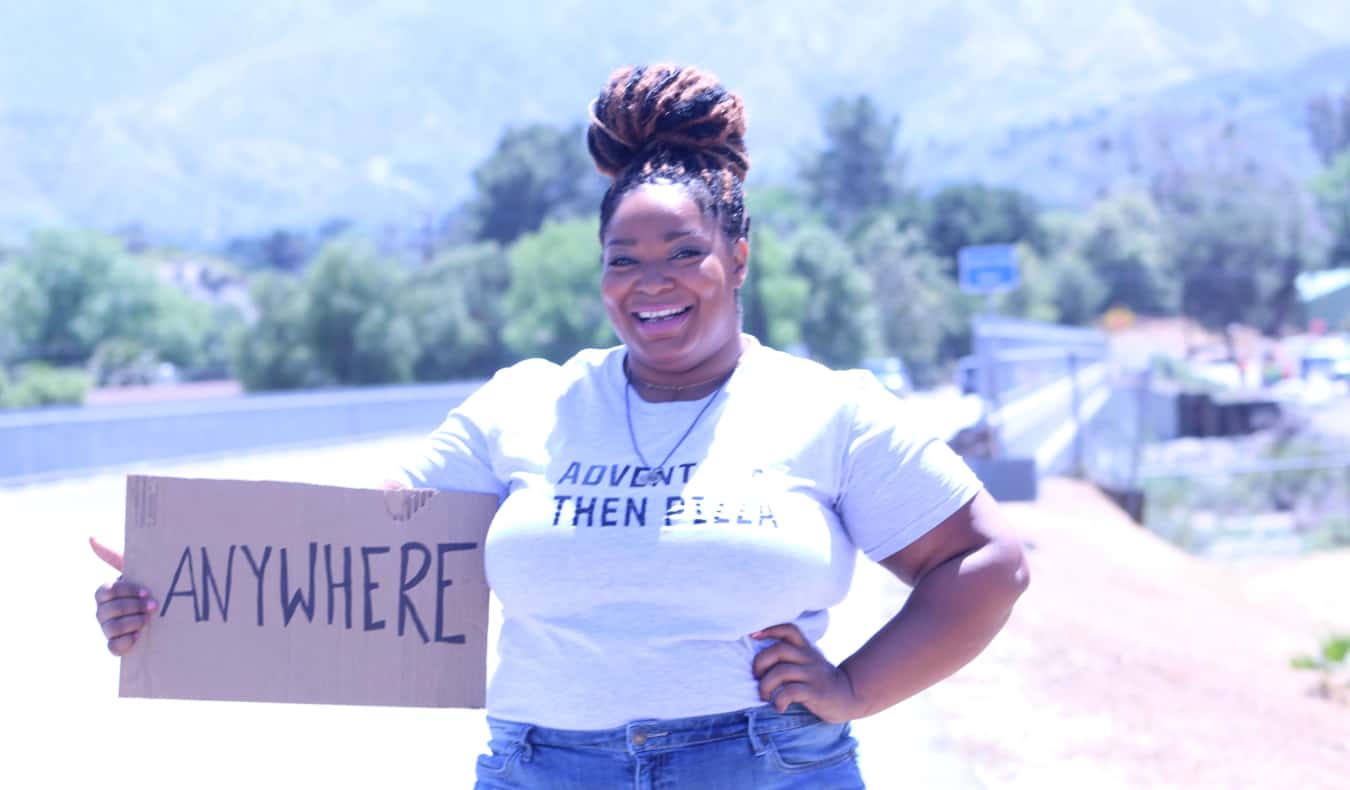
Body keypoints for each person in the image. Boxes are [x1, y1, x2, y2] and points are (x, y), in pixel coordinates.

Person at [93, 64, 1030, 789]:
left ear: (738, 257)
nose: (651, 282)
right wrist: (181, 578)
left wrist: (854, 687)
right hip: (542, 767)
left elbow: (989, 562)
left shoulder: (828, 408)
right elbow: (361, 542)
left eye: (684, 252)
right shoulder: (527, 404)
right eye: (623, 259)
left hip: (761, 764)